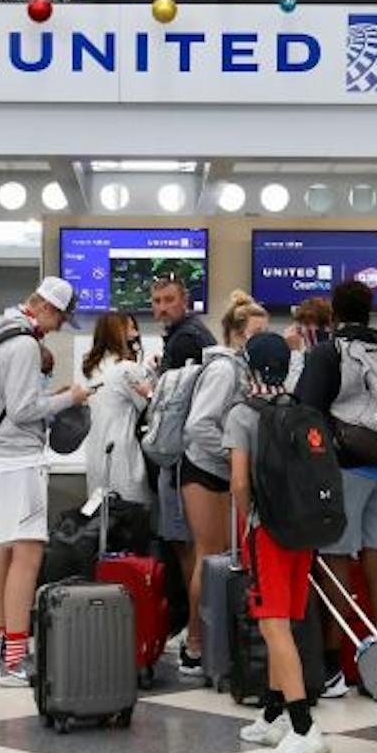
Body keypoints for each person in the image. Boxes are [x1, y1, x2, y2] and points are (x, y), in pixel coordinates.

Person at [225, 330, 329, 753]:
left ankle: (303, 727)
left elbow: (239, 482)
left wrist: (246, 523)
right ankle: (273, 714)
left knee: (272, 625)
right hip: (302, 532)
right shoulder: (300, 410)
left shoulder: (242, 415)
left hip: (266, 532)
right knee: (283, 621)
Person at [0, 277, 90, 687]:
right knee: (27, 557)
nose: (58, 326)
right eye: (60, 317)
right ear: (45, 306)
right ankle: (13, 661)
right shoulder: (24, 343)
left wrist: (51, 397)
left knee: (2, 553)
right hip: (19, 461)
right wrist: (69, 400)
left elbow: (14, 402)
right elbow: (24, 409)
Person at [294, 279, 377, 700]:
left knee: (336, 559)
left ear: (334, 312)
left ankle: (335, 665)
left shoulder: (329, 352)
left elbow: (305, 412)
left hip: (347, 469)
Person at [181, 291, 269, 673]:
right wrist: (234, 454)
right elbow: (199, 425)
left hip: (221, 470)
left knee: (220, 558)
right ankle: (195, 644)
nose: (264, 340)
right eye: (257, 332)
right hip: (203, 470)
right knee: (208, 555)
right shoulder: (223, 370)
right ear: (236, 334)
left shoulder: (247, 369)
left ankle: (212, 642)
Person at [152, 272, 213, 663]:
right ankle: (198, 631)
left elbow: (177, 406)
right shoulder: (190, 336)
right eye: (156, 301)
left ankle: (196, 635)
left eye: (168, 300)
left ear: (184, 300)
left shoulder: (187, 338)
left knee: (190, 550)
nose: (161, 308)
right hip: (192, 459)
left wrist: (153, 392)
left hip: (179, 460)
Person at [81, 312, 152, 506]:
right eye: (131, 327)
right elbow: (149, 407)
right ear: (118, 332)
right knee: (129, 517)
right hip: (123, 450)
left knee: (103, 520)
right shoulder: (127, 368)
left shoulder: (93, 368)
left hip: (97, 448)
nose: (136, 332)